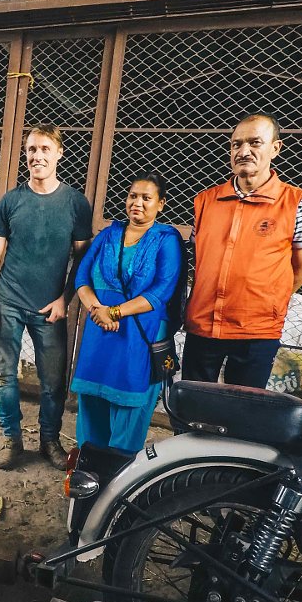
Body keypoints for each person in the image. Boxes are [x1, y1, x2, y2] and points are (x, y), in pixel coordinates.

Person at [0, 125, 92, 470]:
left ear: (59, 153)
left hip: (50, 309)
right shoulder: (11, 201)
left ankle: (49, 441)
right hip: (8, 300)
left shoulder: (75, 203)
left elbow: (82, 259)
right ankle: (11, 441)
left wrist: (65, 299)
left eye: (44, 149)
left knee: (53, 381)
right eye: (30, 149)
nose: (36, 156)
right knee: (5, 376)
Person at [183, 113, 302, 388]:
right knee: (192, 404)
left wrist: (266, 302)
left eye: (255, 143)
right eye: (236, 144)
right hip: (203, 324)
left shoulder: (298, 203)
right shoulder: (205, 201)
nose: (244, 151)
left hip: (256, 331)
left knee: (242, 412)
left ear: (275, 148)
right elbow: (201, 258)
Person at [71, 172, 182, 454]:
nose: (138, 203)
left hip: (139, 335)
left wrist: (115, 312)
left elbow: (161, 292)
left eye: (147, 198)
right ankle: (88, 473)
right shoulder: (110, 233)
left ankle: (117, 478)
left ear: (161, 204)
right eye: (133, 196)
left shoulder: (166, 239)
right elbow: (82, 276)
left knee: (130, 407)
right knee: (92, 404)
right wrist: (97, 310)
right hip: (100, 331)